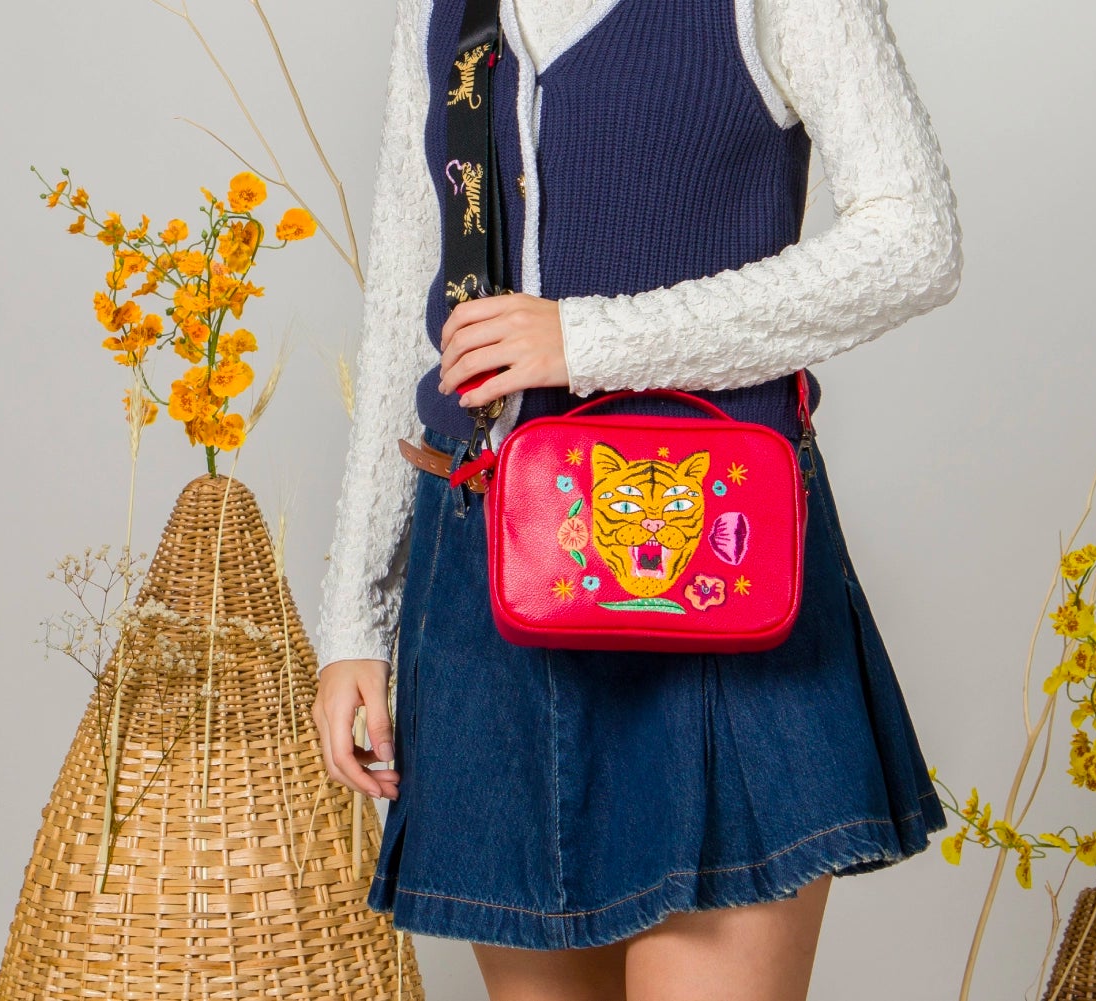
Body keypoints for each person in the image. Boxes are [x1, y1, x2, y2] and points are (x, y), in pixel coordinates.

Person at [312, 0, 962, 995]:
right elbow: (408, 301)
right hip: (485, 581)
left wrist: (587, 339)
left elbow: (912, 240)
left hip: (715, 578)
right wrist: (354, 618)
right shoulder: (436, 10)